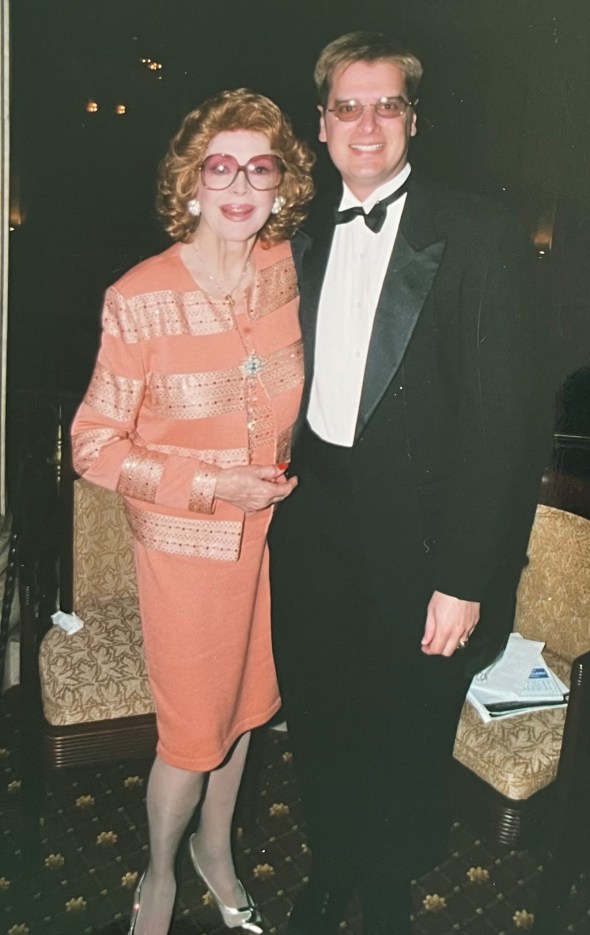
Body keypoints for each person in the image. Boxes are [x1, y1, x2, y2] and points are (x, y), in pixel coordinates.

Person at [269, 31, 548, 935]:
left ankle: (387, 885)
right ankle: (331, 865)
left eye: (387, 104)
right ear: (321, 124)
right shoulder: (296, 235)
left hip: (424, 535)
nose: (367, 122)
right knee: (319, 711)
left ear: (413, 121)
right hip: (313, 522)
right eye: (348, 105)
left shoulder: (476, 233)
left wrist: (467, 575)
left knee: (406, 723)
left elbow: (503, 427)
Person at [71, 89, 314, 935]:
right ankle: (161, 871)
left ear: (282, 184)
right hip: (183, 553)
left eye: (260, 167)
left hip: (271, 542)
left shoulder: (287, 269)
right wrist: (212, 486)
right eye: (221, 167)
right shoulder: (139, 297)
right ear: (192, 183)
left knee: (248, 708)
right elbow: (93, 444)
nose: (240, 185)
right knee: (190, 733)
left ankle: (219, 852)